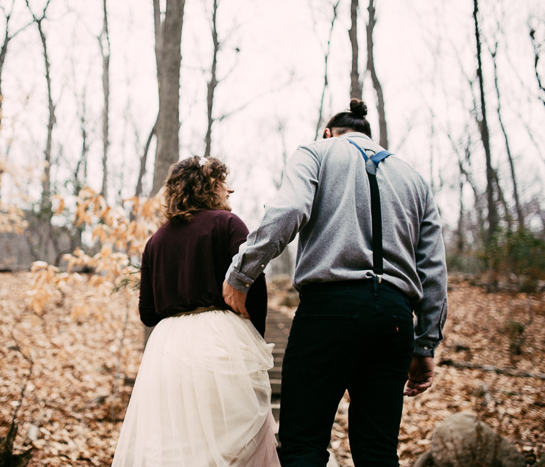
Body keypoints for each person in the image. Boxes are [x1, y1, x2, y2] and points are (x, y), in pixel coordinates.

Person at [223, 99, 448, 467]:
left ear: (328, 133)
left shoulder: (315, 152)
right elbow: (434, 268)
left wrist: (242, 273)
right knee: (378, 452)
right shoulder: (414, 179)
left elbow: (290, 210)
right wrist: (426, 344)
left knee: (303, 444)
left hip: (329, 311)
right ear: (369, 136)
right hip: (394, 319)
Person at [112, 156, 281, 467]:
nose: (230, 190)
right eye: (222, 182)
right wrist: (252, 333)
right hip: (220, 341)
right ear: (206, 187)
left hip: (167, 351)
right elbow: (253, 284)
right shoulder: (228, 224)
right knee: (233, 441)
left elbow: (148, 313)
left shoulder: (155, 241)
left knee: (178, 446)